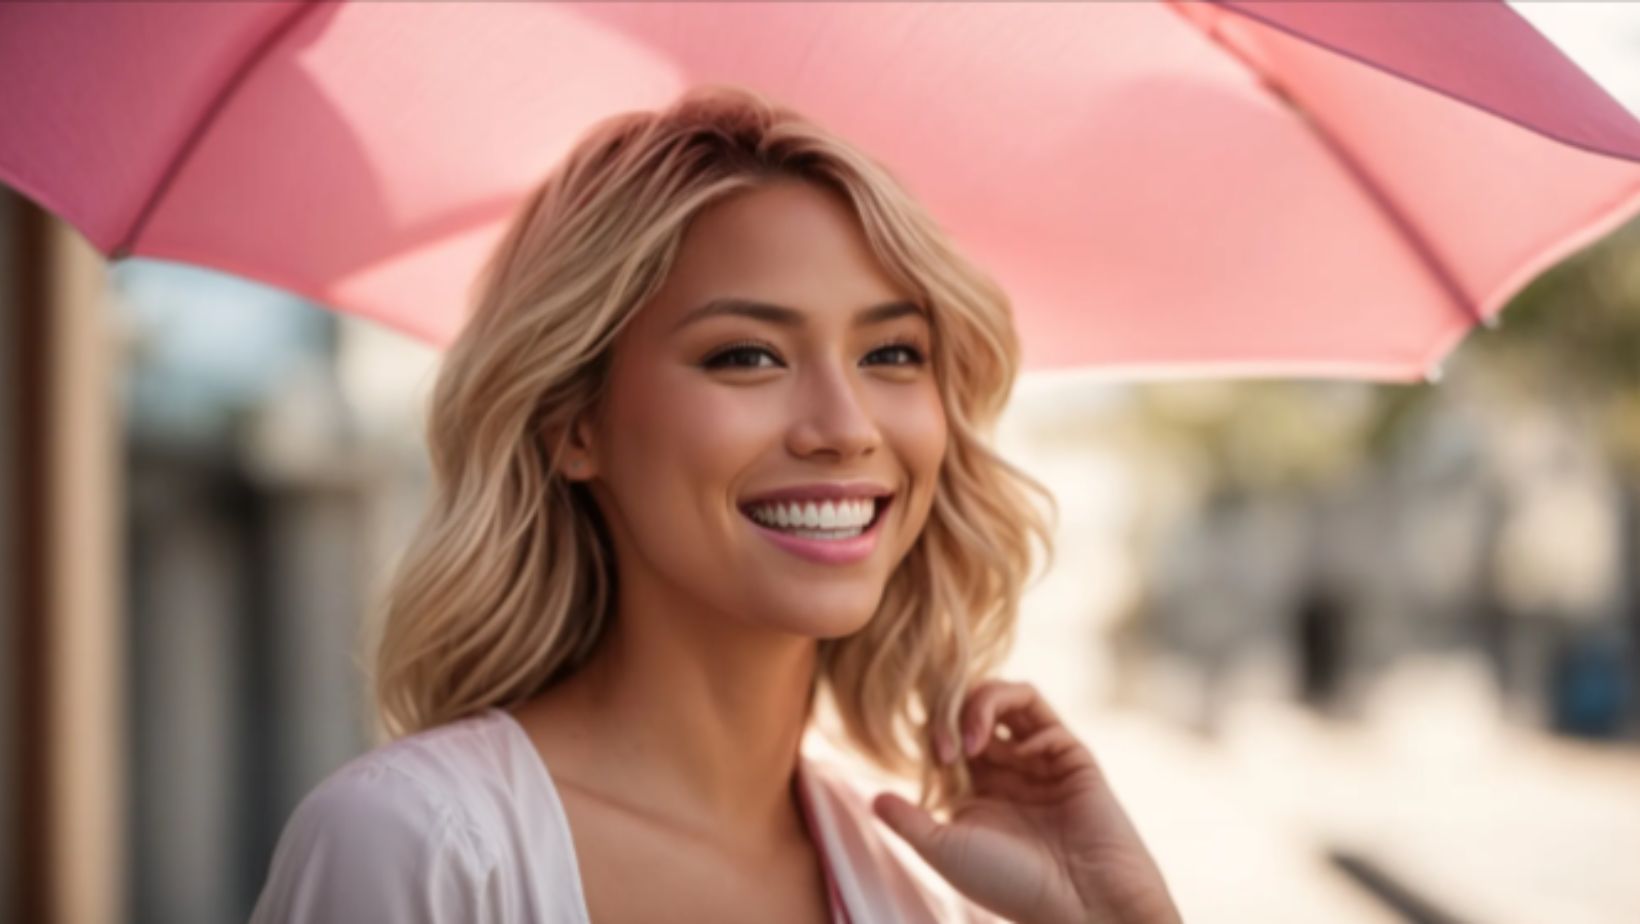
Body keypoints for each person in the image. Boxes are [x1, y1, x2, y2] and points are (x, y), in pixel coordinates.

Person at [249, 83, 1181, 924]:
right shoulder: (421, 848)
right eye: (747, 355)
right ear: (574, 425)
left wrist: (1118, 917)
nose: (845, 427)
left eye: (892, 353)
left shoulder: (922, 888)